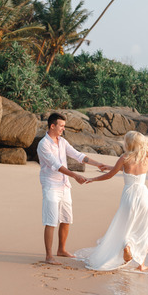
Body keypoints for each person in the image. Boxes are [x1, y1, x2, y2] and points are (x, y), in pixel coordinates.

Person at [38, 112, 110, 265]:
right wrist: (75, 175)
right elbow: (56, 166)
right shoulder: (43, 144)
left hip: (64, 185)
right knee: (51, 221)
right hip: (51, 185)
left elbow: (78, 156)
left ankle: (61, 250)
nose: (63, 129)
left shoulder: (62, 142)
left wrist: (98, 164)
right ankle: (49, 256)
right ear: (52, 126)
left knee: (66, 219)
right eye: (61, 126)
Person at [82, 131, 148, 271]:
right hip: (143, 195)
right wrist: (112, 167)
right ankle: (141, 265)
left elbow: (111, 175)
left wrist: (92, 179)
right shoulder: (147, 157)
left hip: (129, 196)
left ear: (128, 143)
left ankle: (127, 245)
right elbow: (132, 169)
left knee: (126, 226)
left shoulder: (124, 158)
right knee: (143, 228)